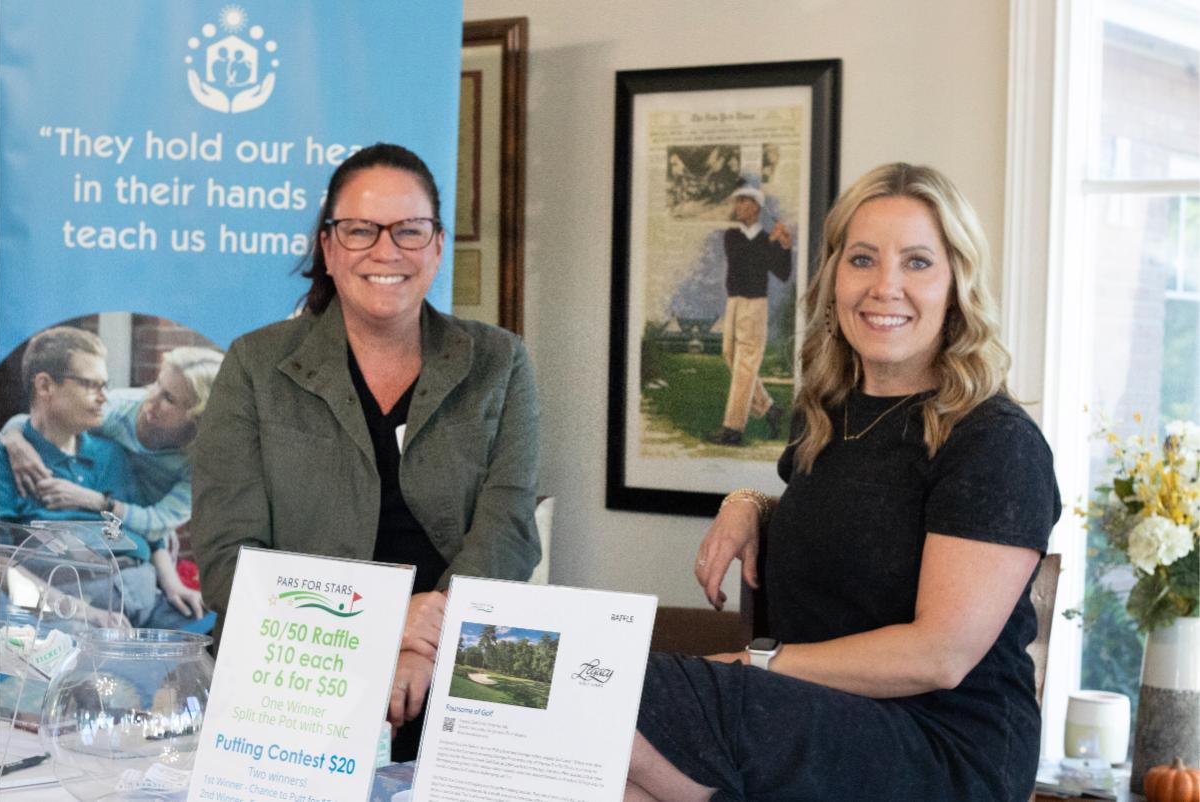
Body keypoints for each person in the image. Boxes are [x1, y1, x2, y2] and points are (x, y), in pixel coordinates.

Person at [627, 163, 1061, 802]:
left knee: (617, 696)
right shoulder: (830, 415)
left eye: (917, 262)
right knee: (602, 761)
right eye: (863, 259)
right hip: (810, 712)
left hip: (943, 751)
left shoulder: (995, 442)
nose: (885, 287)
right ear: (834, 278)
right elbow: (850, 522)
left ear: (957, 286)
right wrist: (749, 505)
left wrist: (757, 664)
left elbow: (940, 654)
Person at [190, 143, 541, 762]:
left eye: (410, 230)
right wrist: (382, 627)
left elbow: (507, 530)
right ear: (329, 248)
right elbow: (228, 563)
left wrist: (423, 646)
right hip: (293, 677)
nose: (387, 250)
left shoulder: (500, 361)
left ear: (437, 246)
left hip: (459, 668)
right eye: (360, 230)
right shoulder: (255, 364)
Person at [0, 327, 211, 631]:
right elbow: (0, 565)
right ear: (45, 385)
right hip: (70, 606)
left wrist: (173, 585)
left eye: (105, 385)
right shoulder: (6, 458)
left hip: (144, 595)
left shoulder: (111, 452)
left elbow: (151, 531)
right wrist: (83, 613)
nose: (104, 397)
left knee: (216, 632)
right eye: (91, 385)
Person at [707, 184, 793, 446]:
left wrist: (785, 247)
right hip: (734, 302)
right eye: (737, 202)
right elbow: (743, 259)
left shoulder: (767, 239)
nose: (737, 206)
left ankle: (733, 429)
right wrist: (771, 242)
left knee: (745, 365)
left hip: (755, 305)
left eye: (743, 201)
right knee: (730, 355)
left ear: (755, 207)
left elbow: (782, 273)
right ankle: (769, 408)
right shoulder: (732, 236)